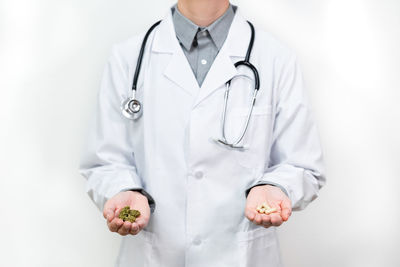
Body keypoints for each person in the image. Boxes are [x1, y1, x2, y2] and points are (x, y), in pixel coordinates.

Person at [79, 1, 326, 266]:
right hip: (153, 255)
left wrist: (275, 187)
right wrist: (123, 190)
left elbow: (302, 164)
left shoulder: (276, 58)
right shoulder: (128, 57)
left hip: (242, 256)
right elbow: (105, 160)